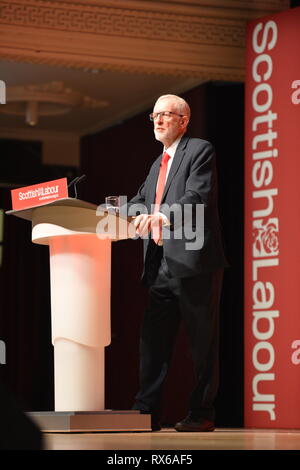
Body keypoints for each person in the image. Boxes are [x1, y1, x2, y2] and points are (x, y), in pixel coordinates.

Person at [128, 94, 227, 432]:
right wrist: (112, 213)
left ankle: (201, 414)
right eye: (154, 114)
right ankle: (147, 412)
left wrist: (156, 217)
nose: (158, 120)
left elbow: (196, 198)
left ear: (183, 121)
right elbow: (141, 200)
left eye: (166, 114)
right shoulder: (157, 163)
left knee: (201, 343)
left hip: (194, 262)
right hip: (160, 264)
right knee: (152, 342)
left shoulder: (199, 150)